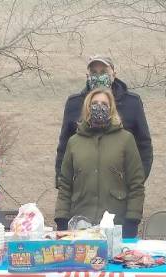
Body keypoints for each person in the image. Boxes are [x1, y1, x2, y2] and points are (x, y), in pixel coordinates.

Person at [55, 88, 145, 237]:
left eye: (104, 103)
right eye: (95, 103)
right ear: (87, 108)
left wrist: (132, 219)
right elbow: (65, 184)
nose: (99, 106)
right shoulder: (74, 142)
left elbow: (136, 183)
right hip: (81, 223)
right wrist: (62, 217)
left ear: (111, 109)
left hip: (116, 224)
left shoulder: (126, 139)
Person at [56, 55, 152, 186]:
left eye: (103, 72)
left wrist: (136, 182)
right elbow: (64, 147)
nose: (98, 76)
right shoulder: (74, 104)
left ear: (114, 74)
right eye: (94, 72)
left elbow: (144, 145)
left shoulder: (132, 103)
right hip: (83, 188)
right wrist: (62, 182)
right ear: (87, 76)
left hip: (120, 188)